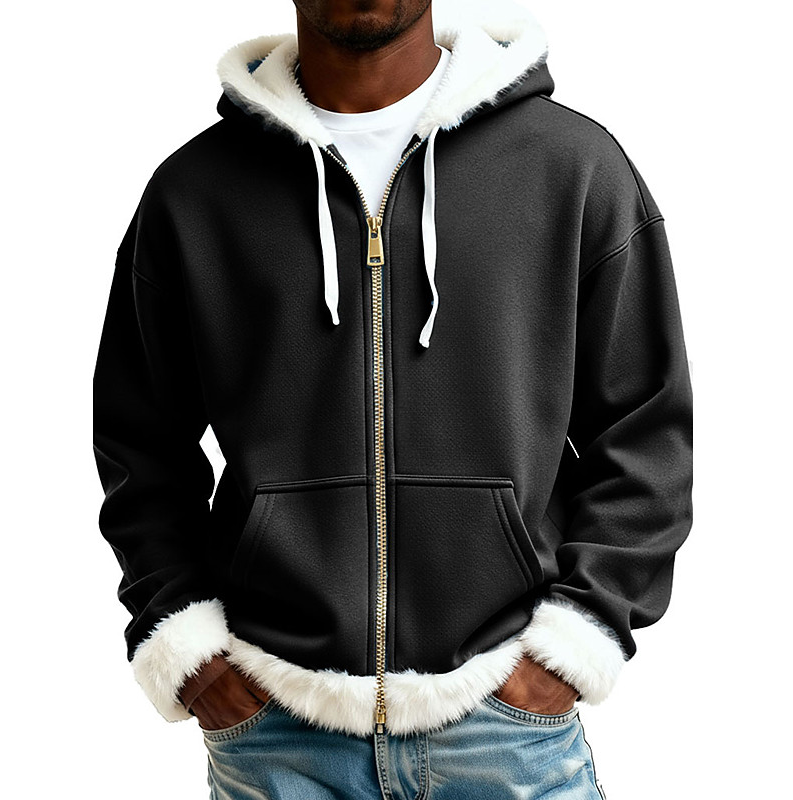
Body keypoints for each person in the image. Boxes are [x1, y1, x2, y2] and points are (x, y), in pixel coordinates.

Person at [92, 0, 694, 797]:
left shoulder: (570, 167)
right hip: (278, 726)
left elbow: (646, 430)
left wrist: (575, 640)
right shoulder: (196, 191)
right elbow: (140, 445)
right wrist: (187, 645)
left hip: (504, 725)